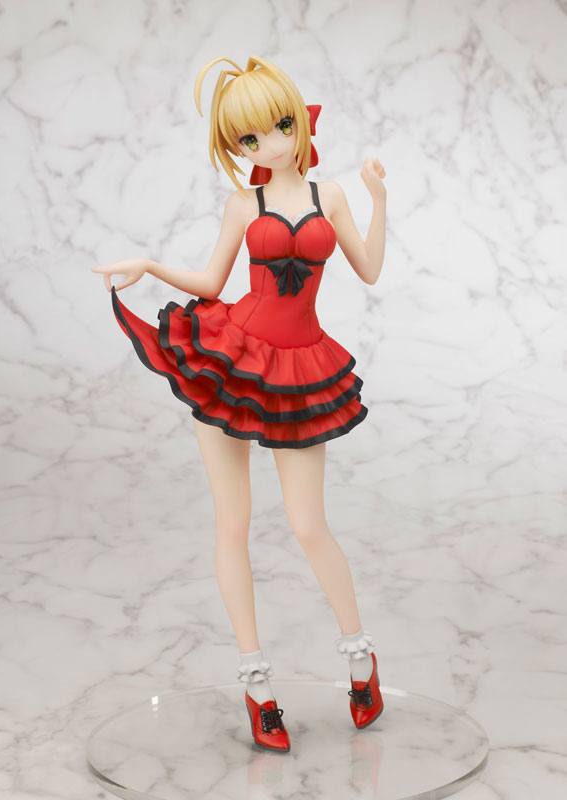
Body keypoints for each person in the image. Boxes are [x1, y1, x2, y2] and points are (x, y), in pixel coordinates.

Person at [91, 54, 387, 753]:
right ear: (236, 146)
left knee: (308, 524)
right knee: (232, 523)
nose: (270, 145)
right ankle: (257, 685)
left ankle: (360, 659)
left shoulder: (330, 195)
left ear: (297, 121)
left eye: (279, 126)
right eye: (249, 138)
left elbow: (370, 270)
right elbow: (211, 280)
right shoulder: (241, 205)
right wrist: (148, 265)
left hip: (300, 365)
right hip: (230, 357)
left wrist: (378, 200)